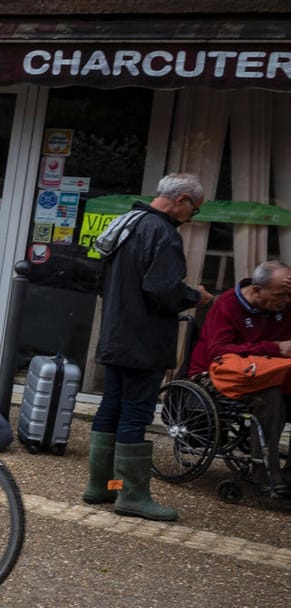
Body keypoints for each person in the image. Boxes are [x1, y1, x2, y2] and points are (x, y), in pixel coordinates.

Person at [81, 174, 213, 521]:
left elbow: (100, 277)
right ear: (182, 199)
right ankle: (131, 495)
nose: (191, 218)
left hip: (115, 331)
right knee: (135, 412)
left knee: (110, 405)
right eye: (194, 211)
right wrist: (194, 296)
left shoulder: (126, 222)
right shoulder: (163, 234)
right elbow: (161, 289)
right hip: (144, 339)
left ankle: (101, 486)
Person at [185, 260, 291, 497]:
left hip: (267, 371)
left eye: (288, 295)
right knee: (269, 397)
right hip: (217, 374)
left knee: (275, 389)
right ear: (256, 289)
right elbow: (218, 352)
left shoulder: (283, 307)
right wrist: (273, 348)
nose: (285, 301)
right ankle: (265, 473)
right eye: (279, 295)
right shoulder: (227, 304)